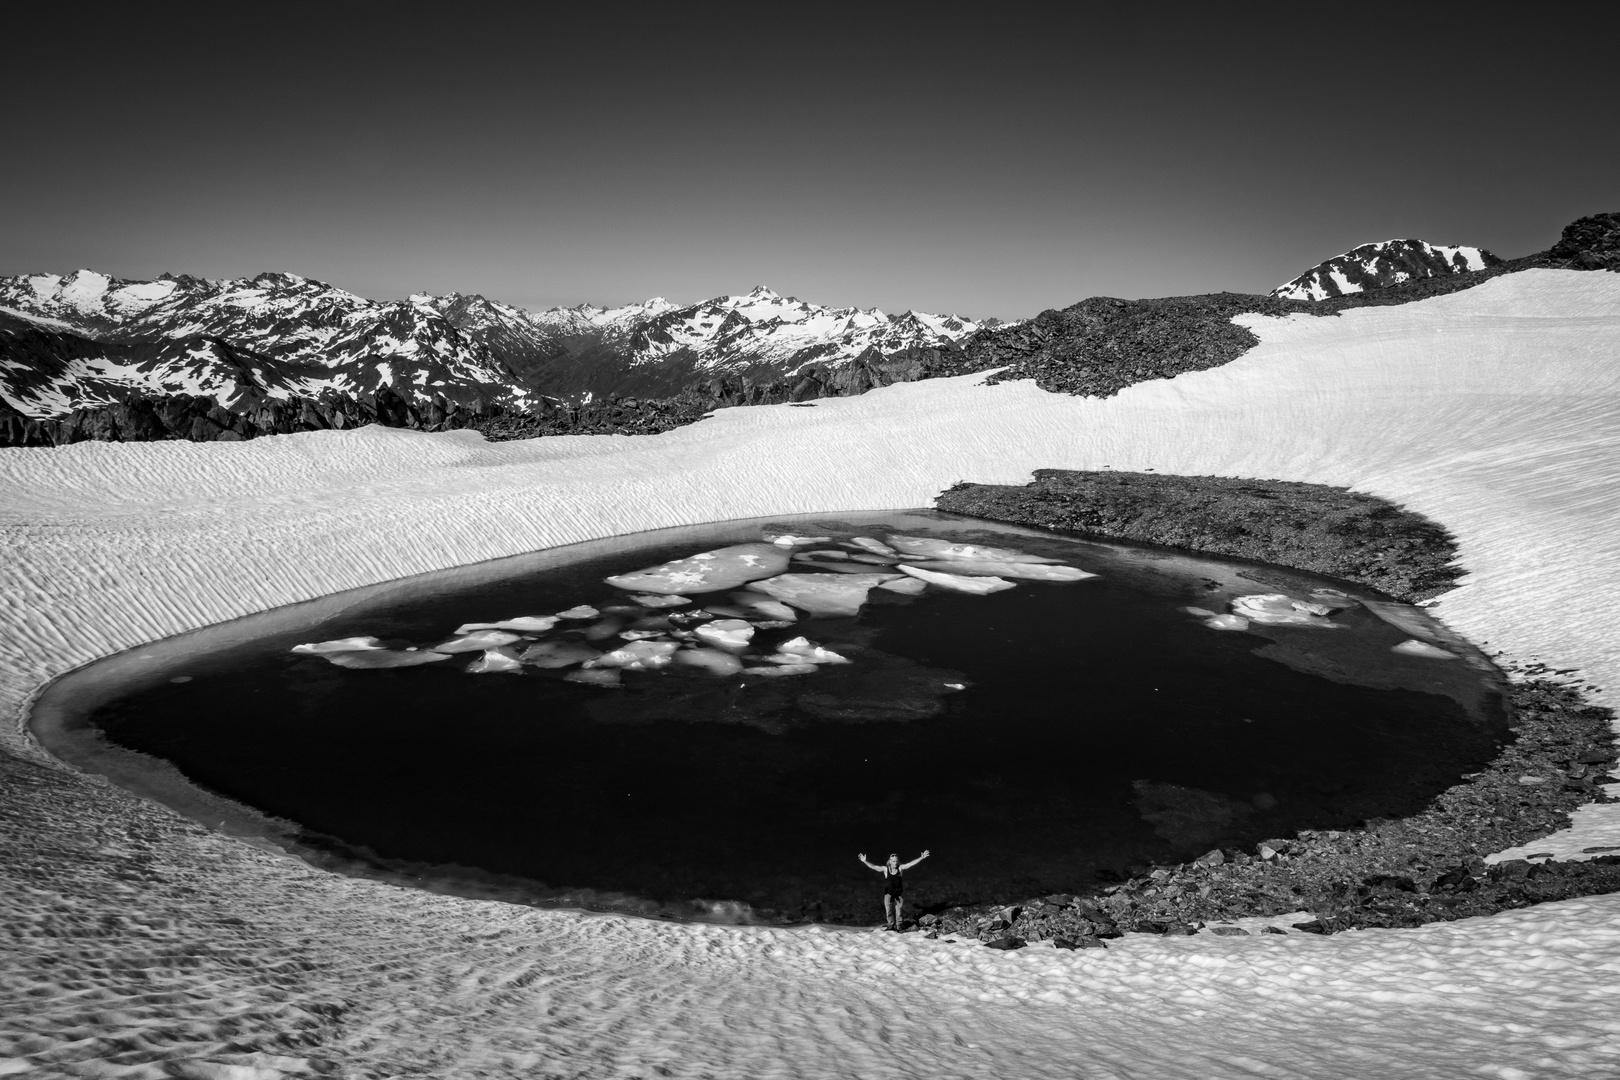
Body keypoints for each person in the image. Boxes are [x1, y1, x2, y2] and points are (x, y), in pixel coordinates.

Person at [857, 849, 929, 930]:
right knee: (889, 911)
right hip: (888, 894)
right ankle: (891, 925)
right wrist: (864, 861)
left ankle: (899, 926)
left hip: (898, 894)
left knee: (899, 912)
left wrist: (921, 858)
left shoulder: (900, 869)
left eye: (896, 861)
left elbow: (910, 864)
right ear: (890, 861)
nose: (895, 863)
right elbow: (874, 867)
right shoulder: (886, 869)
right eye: (893, 861)